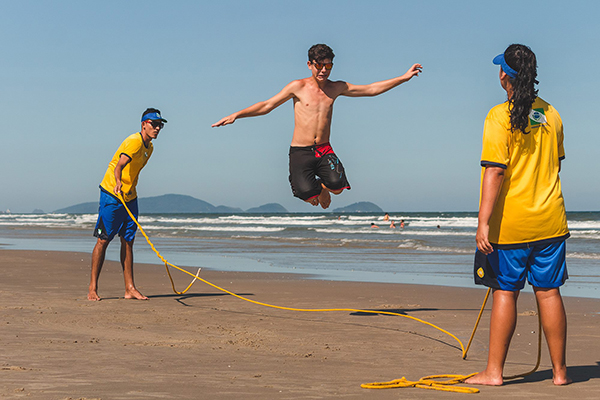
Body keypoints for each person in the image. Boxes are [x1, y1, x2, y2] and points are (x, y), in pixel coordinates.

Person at [466, 45, 571, 386]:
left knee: (505, 293)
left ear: (504, 75)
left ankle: (494, 372)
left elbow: (495, 172)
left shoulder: (499, 115)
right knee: (549, 292)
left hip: (511, 225)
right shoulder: (551, 113)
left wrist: (483, 222)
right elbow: (555, 162)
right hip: (551, 219)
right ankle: (559, 373)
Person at [212, 44, 422, 209]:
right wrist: (237, 115)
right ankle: (317, 188)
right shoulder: (298, 87)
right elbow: (267, 105)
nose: (323, 70)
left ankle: (324, 186)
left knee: (338, 189)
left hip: (323, 148)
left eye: (328, 66)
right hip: (300, 151)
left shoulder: (337, 87)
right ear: (309, 64)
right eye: (319, 65)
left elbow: (372, 89)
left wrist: (404, 78)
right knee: (308, 197)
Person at [87, 108, 167, 301]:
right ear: (144, 125)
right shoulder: (134, 142)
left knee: (128, 240)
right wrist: (117, 182)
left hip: (130, 197)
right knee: (103, 240)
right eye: (154, 124)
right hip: (112, 194)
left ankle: (130, 288)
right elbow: (119, 165)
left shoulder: (150, 148)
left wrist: (128, 189)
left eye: (160, 125)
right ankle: (92, 288)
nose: (157, 128)